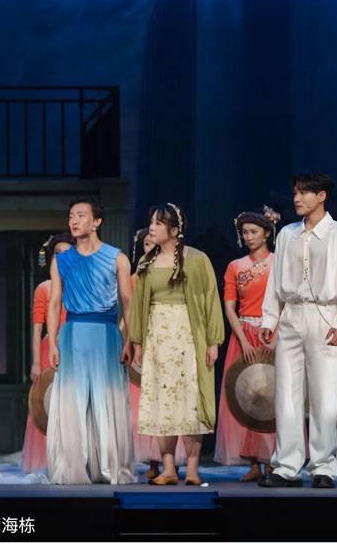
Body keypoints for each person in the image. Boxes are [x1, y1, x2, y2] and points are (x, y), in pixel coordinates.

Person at [258, 171, 337, 489]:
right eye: (295, 193)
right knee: (287, 395)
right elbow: (275, 280)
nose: (296, 198)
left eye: (303, 192)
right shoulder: (287, 235)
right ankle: (287, 466)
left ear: (321, 196)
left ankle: (323, 467)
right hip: (292, 315)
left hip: (326, 318)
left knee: (324, 396)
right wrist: (269, 319)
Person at [128, 203, 224, 486]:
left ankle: (192, 470)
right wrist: (138, 343)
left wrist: (213, 341)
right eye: (151, 222)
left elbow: (210, 299)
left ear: (174, 230)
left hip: (189, 337)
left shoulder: (197, 259)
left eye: (158, 223)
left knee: (190, 402)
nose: (152, 228)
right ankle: (168, 469)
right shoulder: (146, 262)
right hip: (157, 339)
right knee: (162, 402)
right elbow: (139, 306)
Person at [46, 198, 135, 485]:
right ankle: (73, 466)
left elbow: (128, 301)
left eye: (81, 215)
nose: (74, 220)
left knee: (106, 399)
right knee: (72, 400)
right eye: (71, 215)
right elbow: (54, 303)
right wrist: (52, 343)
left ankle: (110, 466)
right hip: (72, 334)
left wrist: (130, 339)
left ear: (96, 221)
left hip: (106, 333)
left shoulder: (117, 257)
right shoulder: (61, 260)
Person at [214, 207, 281, 480]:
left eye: (254, 231)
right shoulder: (235, 266)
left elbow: (287, 303)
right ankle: (253, 464)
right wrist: (243, 340)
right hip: (243, 336)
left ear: (267, 233)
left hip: (271, 334)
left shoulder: (279, 263)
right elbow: (229, 307)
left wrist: (276, 338)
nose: (249, 237)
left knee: (272, 396)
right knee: (246, 396)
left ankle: (273, 461)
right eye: (245, 232)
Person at [20, 232, 72, 473]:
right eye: (57, 253)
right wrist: (36, 362)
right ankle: (46, 460)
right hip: (48, 349)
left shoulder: (80, 286)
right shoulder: (44, 288)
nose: (61, 258)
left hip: (74, 347)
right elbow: (36, 328)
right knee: (46, 403)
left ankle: (71, 460)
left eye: (67, 253)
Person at [127, 229, 162, 479]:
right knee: (142, 403)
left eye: (153, 243)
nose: (150, 247)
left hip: (165, 335)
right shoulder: (135, 276)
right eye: (146, 244)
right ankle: (152, 462)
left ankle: (169, 460)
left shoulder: (170, 269)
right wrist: (125, 339)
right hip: (142, 337)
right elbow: (130, 312)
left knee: (164, 398)